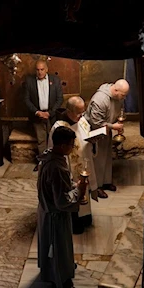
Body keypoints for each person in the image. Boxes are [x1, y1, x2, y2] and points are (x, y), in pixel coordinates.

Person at [37, 126, 88, 288]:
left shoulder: (51, 155)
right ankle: (61, 279)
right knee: (59, 247)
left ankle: (59, 267)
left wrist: (73, 185)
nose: (73, 147)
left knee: (56, 247)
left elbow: (59, 188)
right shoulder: (57, 167)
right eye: (71, 144)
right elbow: (62, 200)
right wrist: (79, 191)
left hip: (46, 210)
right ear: (62, 146)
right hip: (55, 215)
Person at [47, 96, 98, 234]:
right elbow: (53, 152)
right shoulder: (59, 128)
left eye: (83, 111)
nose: (82, 115)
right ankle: (74, 222)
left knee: (84, 192)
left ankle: (85, 216)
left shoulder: (82, 121)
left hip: (84, 166)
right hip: (69, 170)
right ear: (69, 111)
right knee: (73, 194)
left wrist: (93, 142)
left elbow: (86, 142)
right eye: (78, 112)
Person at [85, 79, 129, 198]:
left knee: (107, 157)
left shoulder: (116, 97)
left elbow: (115, 114)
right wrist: (113, 126)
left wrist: (116, 125)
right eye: (123, 95)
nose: (124, 98)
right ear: (115, 90)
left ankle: (106, 182)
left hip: (106, 131)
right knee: (98, 160)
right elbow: (95, 122)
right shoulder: (100, 100)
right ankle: (96, 186)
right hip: (95, 133)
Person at [24, 59, 63, 171]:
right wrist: (37, 112)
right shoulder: (29, 81)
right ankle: (42, 163)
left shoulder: (55, 80)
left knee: (54, 139)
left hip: (52, 115)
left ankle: (54, 163)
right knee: (41, 141)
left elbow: (60, 99)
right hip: (37, 116)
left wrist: (49, 113)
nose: (40, 72)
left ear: (46, 69)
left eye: (42, 69)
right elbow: (26, 100)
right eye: (37, 70)